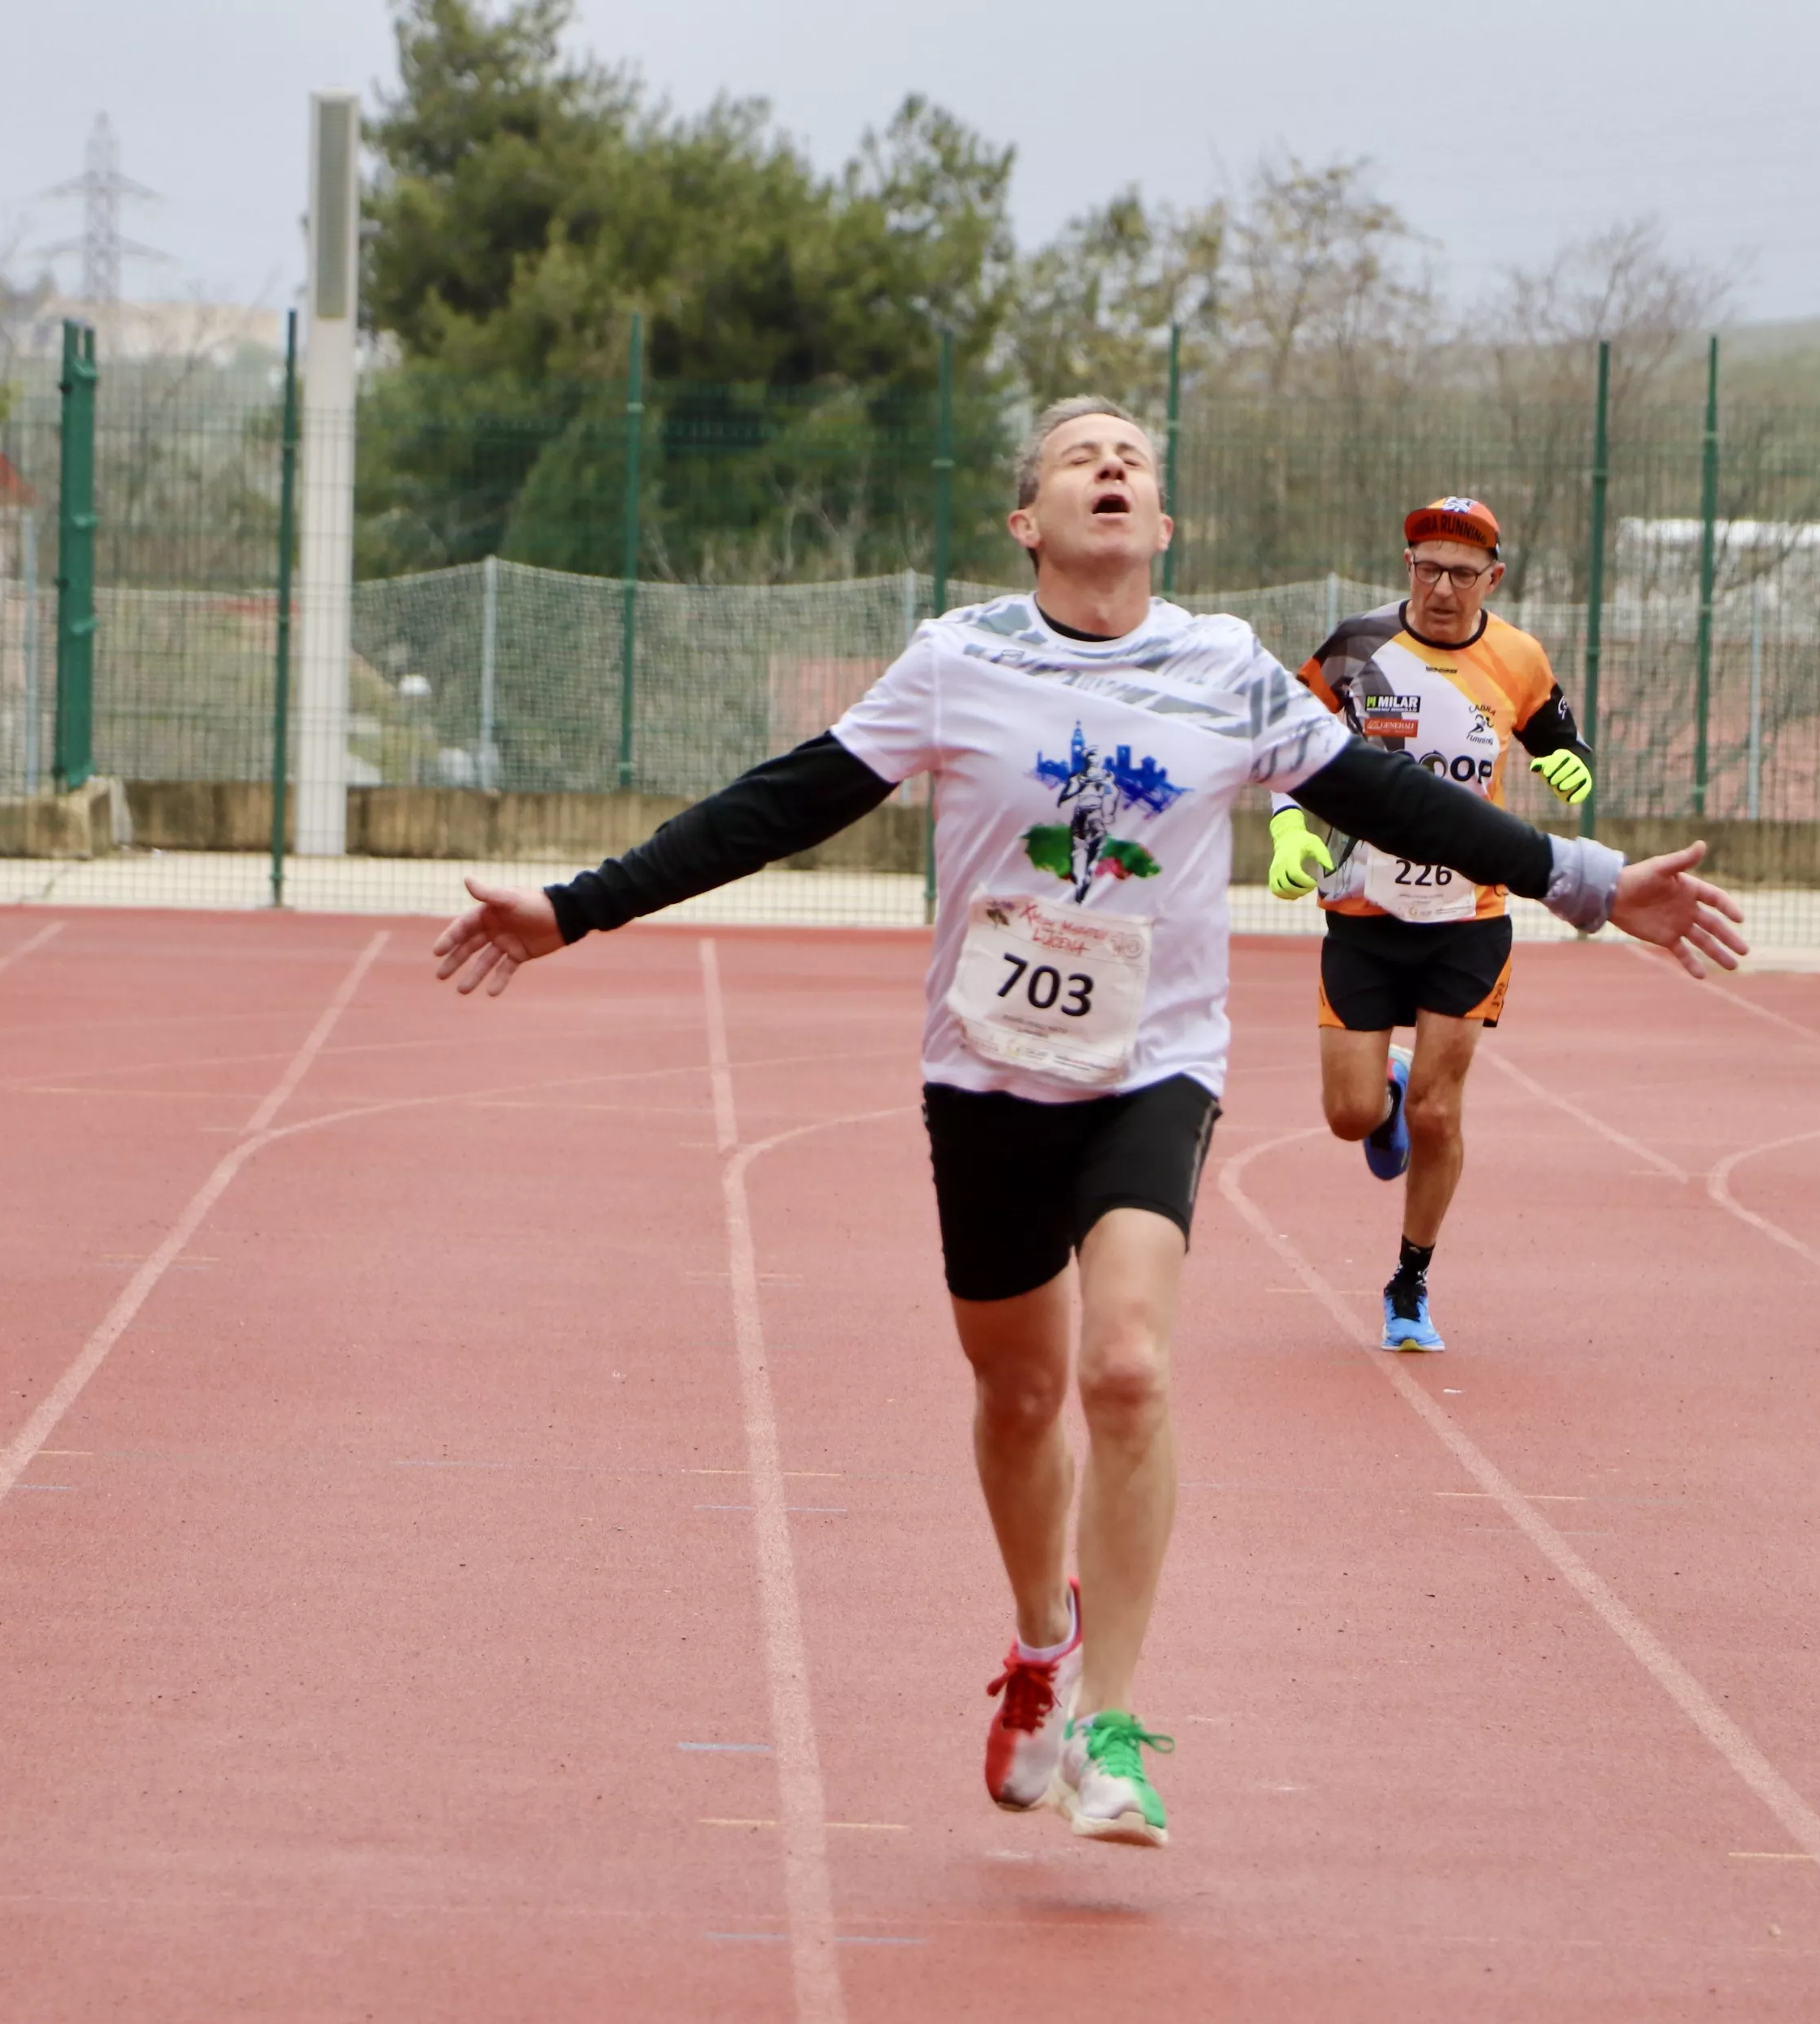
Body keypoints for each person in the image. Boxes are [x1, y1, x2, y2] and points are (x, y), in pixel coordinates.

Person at [432, 400, 1746, 1850]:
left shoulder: (1223, 672)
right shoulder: (957, 662)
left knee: (1123, 1369)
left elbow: (1383, 794)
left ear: (1160, 525)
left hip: (1149, 1066)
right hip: (985, 1074)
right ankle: (1038, 1645)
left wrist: (1584, 878)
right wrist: (574, 907)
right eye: (1077, 457)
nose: (1109, 467)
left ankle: (1108, 1724)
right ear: (1026, 520)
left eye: (1131, 457)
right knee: (1015, 1396)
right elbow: (787, 801)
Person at [1265, 495, 1590, 1353]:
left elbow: (1559, 731)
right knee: (1346, 1114)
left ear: (1494, 576)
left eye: (1461, 572)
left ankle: (1409, 1282)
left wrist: (1570, 766)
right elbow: (1286, 746)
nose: (1442, 587)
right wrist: (1290, 828)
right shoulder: (1356, 647)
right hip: (1364, 910)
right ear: (1407, 567)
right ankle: (1386, 1091)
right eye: (1426, 568)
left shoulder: (1516, 655)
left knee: (1444, 1116)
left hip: (1468, 916)